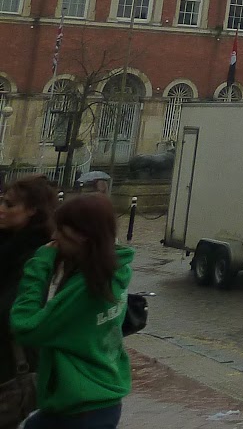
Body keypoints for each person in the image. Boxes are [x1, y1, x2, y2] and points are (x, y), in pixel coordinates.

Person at [11, 195, 132, 428]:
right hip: (100, 399)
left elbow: (25, 327)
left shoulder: (86, 290)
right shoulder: (114, 271)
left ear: (83, 236)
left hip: (79, 407)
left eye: (62, 233)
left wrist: (39, 266)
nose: (54, 238)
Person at [0, 177, 58, 425]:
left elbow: (11, 312)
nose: (1, 209)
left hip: (14, 363)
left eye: (9, 205)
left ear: (33, 210)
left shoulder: (37, 255)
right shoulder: (6, 243)